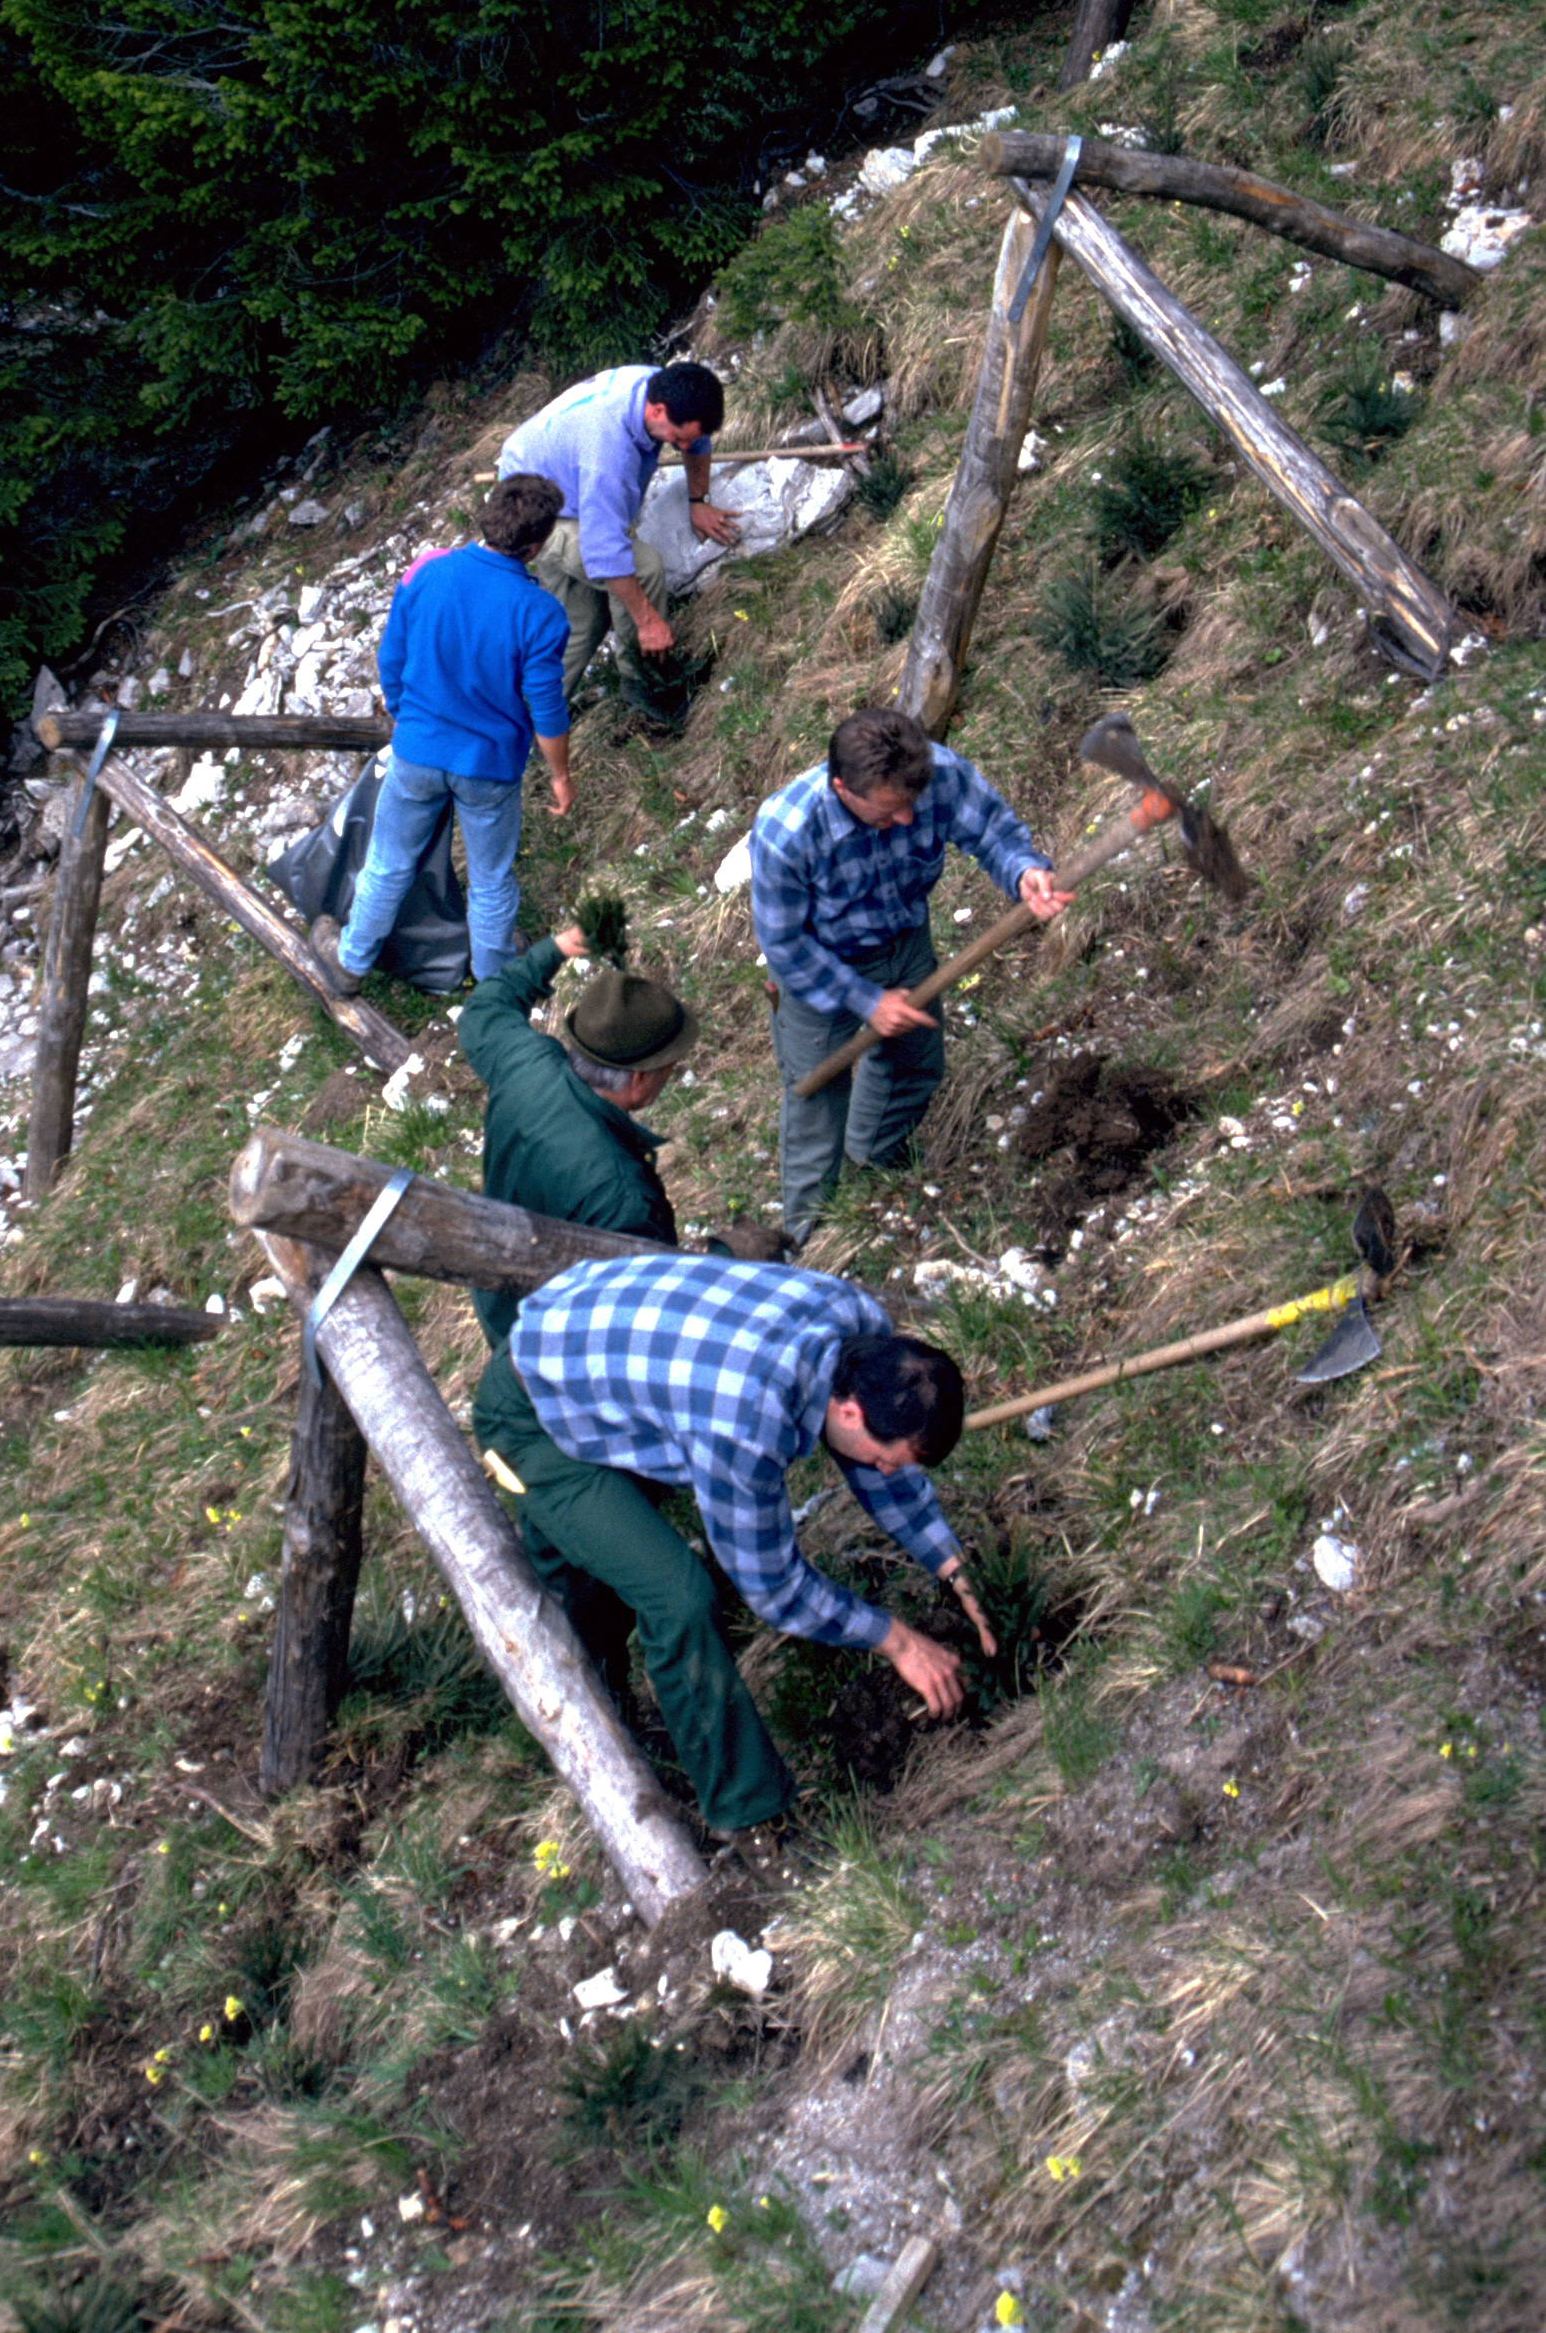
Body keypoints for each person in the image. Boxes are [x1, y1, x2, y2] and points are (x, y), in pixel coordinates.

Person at [472, 1251, 997, 1835]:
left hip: (604, 1354)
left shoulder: (859, 1325)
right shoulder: (744, 1423)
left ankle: (591, 1649)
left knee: (600, 1566)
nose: (885, 1471)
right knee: (679, 1596)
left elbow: (884, 1473)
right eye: (883, 1459)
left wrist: (951, 1565)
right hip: (533, 1419)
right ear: (848, 1411)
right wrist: (897, 1641)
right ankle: (748, 1814)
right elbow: (774, 1589)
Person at [751, 707, 1074, 1243]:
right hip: (820, 968)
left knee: (915, 1063)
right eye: (886, 812)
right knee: (817, 1096)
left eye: (911, 807)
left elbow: (993, 832)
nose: (904, 821)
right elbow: (784, 944)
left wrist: (1024, 872)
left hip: (904, 940)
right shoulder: (787, 832)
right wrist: (865, 1001)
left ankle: (875, 1163)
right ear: (841, 788)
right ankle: (807, 1236)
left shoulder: (937, 774)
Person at [310, 474, 572, 996]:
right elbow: (545, 706)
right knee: (492, 878)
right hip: (489, 765)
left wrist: (410, 718)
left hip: (418, 750)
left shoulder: (426, 572)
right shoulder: (541, 612)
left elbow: (392, 658)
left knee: (388, 861)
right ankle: (495, 982)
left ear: (487, 514)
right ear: (538, 545)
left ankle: (351, 962)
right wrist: (561, 774)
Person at [458, 929, 696, 1349]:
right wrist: (729, 1255)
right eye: (668, 1067)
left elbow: (485, 1008)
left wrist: (554, 949)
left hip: (495, 1289)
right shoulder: (622, 1194)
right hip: (551, 1342)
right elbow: (650, 1305)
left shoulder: (525, 1061)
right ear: (639, 1078)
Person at [496, 361, 741, 713]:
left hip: (551, 480)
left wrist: (697, 499)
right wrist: (649, 622)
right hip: (538, 516)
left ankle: (530, 715)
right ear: (658, 411)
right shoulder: (607, 450)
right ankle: (647, 686)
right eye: (677, 438)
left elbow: (697, 443)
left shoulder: (659, 388)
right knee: (642, 568)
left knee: (582, 622)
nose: (682, 446)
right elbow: (605, 548)